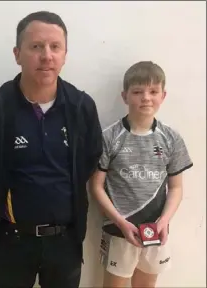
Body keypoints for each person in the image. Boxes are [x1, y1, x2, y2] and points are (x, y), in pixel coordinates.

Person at [0, 11, 103, 288]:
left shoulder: (81, 108)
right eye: (36, 46)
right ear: (17, 53)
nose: (46, 55)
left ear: (65, 54)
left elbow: (89, 161)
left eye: (55, 47)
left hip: (65, 242)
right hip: (11, 241)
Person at [89, 61, 193, 288]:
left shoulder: (171, 138)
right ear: (125, 96)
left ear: (163, 96)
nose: (146, 98)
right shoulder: (108, 137)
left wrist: (164, 221)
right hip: (119, 230)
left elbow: (176, 187)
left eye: (153, 91)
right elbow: (96, 186)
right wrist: (120, 222)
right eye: (138, 92)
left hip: (157, 229)